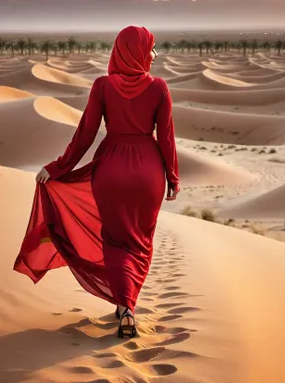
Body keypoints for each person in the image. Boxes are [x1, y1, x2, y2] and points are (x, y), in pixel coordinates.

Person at [14, 25, 180, 338]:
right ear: (138, 51)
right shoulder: (159, 88)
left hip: (111, 170)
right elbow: (167, 138)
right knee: (140, 242)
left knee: (115, 241)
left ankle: (125, 307)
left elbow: (85, 134)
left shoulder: (103, 85)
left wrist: (58, 167)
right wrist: (172, 177)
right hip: (149, 173)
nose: (154, 55)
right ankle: (127, 302)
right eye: (151, 48)